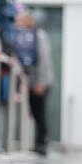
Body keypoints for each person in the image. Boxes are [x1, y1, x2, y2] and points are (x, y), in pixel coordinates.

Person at [14, 10, 54, 156]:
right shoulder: (23, 37)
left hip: (40, 82)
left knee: (40, 114)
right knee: (35, 113)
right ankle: (38, 143)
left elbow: (44, 60)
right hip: (31, 82)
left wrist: (40, 82)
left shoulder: (39, 36)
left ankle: (42, 143)